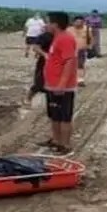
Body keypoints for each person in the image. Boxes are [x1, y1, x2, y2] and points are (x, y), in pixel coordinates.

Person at [41, 12, 79, 154]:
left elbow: (69, 62)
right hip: (52, 85)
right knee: (55, 115)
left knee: (64, 117)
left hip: (62, 87)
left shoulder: (65, 39)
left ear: (55, 24)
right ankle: (56, 141)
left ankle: (65, 145)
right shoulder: (57, 38)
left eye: (48, 22)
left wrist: (62, 83)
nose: (46, 25)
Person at [69, 15, 92, 86]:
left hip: (82, 50)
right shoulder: (69, 30)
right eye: (77, 22)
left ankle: (80, 80)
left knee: (80, 65)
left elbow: (90, 39)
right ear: (73, 22)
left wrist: (89, 47)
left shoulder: (87, 29)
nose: (79, 23)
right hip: (70, 50)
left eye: (81, 22)